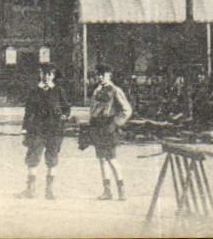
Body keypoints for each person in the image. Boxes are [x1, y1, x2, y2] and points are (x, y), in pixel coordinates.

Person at [18, 61, 73, 200]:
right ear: (40, 74)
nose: (46, 77)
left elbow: (66, 107)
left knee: (52, 158)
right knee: (33, 157)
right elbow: (28, 111)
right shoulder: (34, 91)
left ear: (53, 75)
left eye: (49, 74)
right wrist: (25, 129)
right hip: (37, 130)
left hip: (54, 130)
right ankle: (30, 189)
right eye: (44, 73)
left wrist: (64, 116)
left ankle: (49, 190)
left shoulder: (58, 91)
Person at [82, 64, 134, 200]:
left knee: (111, 159)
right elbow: (93, 110)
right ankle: (107, 191)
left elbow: (127, 110)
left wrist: (116, 123)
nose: (100, 77)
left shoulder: (115, 90)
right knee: (102, 159)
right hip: (97, 127)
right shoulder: (97, 90)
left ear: (109, 75)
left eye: (103, 74)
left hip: (108, 127)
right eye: (98, 74)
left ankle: (121, 190)